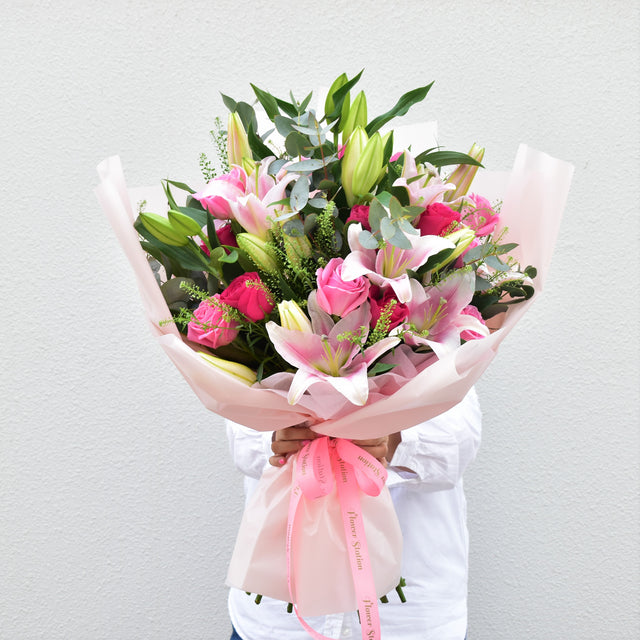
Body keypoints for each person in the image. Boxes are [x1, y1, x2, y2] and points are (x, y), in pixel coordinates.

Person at [226, 387, 481, 640]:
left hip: (409, 618)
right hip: (276, 623)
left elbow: (458, 446)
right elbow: (240, 434)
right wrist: (279, 438)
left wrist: (391, 440)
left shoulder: (437, 360)